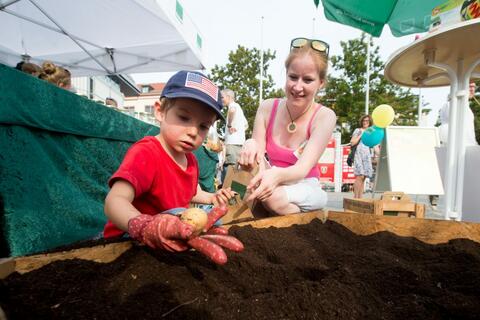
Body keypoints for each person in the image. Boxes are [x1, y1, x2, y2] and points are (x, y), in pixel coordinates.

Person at [103, 70, 235, 259]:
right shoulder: (147, 153)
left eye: (203, 126)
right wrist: (143, 226)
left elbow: (192, 191)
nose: (193, 131)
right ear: (160, 111)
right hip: (128, 238)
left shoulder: (190, 160)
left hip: (169, 234)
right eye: (183, 117)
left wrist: (213, 198)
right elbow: (114, 201)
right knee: (179, 213)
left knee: (210, 219)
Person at [238, 37, 336, 215]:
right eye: (293, 77)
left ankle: (309, 219)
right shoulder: (267, 107)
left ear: (321, 83)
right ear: (286, 75)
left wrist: (273, 177)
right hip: (269, 181)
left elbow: (301, 170)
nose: (297, 87)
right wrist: (250, 144)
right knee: (256, 192)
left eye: (307, 80)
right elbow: (258, 158)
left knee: (271, 198)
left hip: (304, 184)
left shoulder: (325, 116)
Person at [439, 81, 478, 146]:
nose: (473, 90)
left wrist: (474, 144)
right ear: (460, 87)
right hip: (457, 147)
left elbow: (469, 131)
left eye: (474, 87)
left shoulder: (466, 106)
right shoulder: (451, 104)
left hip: (469, 146)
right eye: (470, 86)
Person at [221, 89, 248, 182]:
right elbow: (246, 125)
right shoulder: (239, 108)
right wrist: (238, 130)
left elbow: (232, 111)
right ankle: (237, 193)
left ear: (228, 97)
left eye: (222, 97)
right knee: (238, 170)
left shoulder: (232, 106)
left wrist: (229, 125)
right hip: (240, 143)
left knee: (230, 170)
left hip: (232, 143)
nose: (221, 100)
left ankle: (227, 192)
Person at [350, 115, 374, 199]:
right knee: (359, 175)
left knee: (364, 177)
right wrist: (361, 134)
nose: (365, 122)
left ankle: (360, 197)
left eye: (367, 121)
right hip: (358, 154)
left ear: (370, 122)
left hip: (367, 155)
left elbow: (374, 145)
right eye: (364, 120)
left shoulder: (371, 132)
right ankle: (356, 197)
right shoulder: (358, 130)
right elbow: (352, 142)